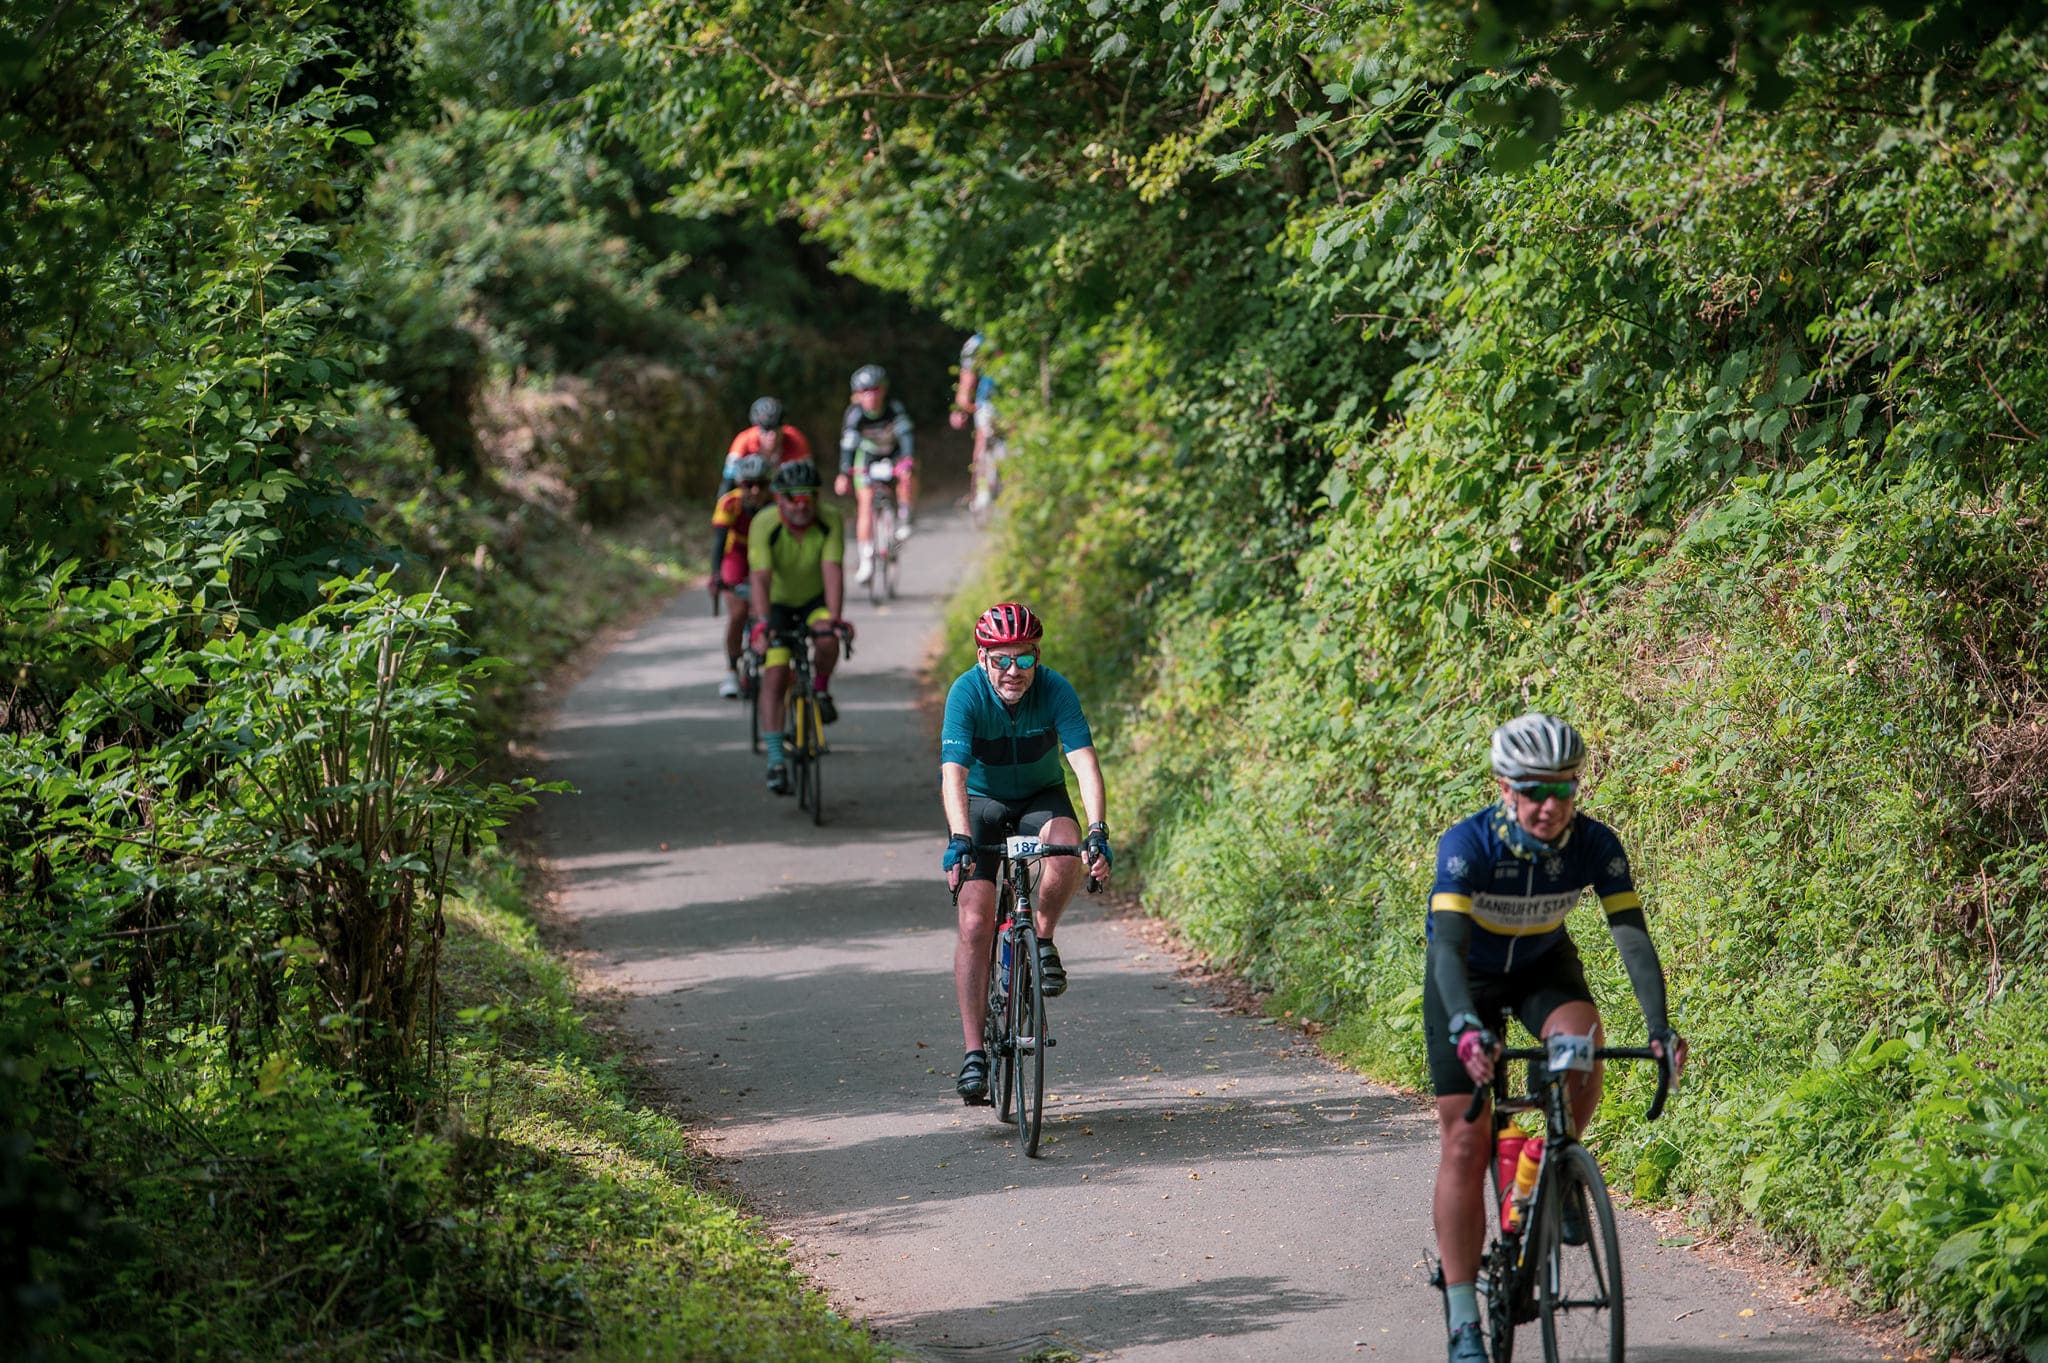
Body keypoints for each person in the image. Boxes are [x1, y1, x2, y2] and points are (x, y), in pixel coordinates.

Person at [1426, 713, 1688, 1363]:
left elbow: (1630, 936)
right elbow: (1449, 949)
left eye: (1563, 790)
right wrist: (1463, 1025)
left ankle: (1558, 1163)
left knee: (1582, 1044)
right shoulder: (1468, 845)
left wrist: (1659, 1027)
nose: (1548, 805)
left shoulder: (1595, 844)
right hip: (1466, 979)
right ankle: (1463, 1317)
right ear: (1504, 788)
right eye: (1533, 789)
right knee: (1467, 1136)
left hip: (1543, 966)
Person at [938, 602, 1112, 1104]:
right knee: (974, 923)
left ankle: (1040, 938)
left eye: (1024, 660)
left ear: (1037, 656)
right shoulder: (966, 693)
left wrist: (1097, 830)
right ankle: (975, 1053)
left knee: (1064, 850)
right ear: (982, 658)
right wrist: (959, 838)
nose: (1013, 672)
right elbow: (954, 775)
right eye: (1001, 660)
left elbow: (1084, 766)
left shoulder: (1056, 690)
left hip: (1041, 798)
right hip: (982, 805)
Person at [745, 460, 850, 796]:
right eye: (794, 499)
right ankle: (776, 759)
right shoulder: (764, 524)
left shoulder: (830, 519)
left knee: (827, 639)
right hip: (775, 606)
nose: (802, 506)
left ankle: (819, 690)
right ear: (780, 500)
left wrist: (834, 619)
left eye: (809, 498)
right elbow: (759, 579)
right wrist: (762, 624)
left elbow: (832, 571)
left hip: (813, 600)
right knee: (775, 675)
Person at [833, 364, 915, 585]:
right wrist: (844, 473)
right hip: (868, 457)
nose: (871, 396)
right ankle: (866, 559)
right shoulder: (854, 414)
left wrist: (906, 461)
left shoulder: (894, 408)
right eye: (865, 391)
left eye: (875, 390)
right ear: (857, 394)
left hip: (893, 452)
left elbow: (906, 437)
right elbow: (848, 446)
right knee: (866, 503)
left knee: (907, 475)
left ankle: (904, 518)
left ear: (884, 390)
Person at [708, 454, 772, 699]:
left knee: (763, 609)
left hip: (765, 556)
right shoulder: (729, 503)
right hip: (737, 554)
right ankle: (731, 670)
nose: (755, 490)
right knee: (738, 613)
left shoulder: (776, 504)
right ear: (739, 484)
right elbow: (719, 543)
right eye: (748, 484)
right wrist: (716, 576)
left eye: (761, 484)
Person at [718, 396, 812, 497]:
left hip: (782, 496)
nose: (772, 435)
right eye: (766, 429)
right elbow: (727, 483)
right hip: (751, 498)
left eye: (777, 428)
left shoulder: (796, 440)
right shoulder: (743, 442)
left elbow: (808, 481)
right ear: (756, 428)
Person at [950, 333, 1003, 511]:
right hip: (997, 401)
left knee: (982, 438)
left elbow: (966, 384)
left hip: (988, 402)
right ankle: (982, 490)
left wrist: (960, 409)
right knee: (984, 438)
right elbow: (967, 382)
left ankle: (979, 494)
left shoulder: (976, 343)